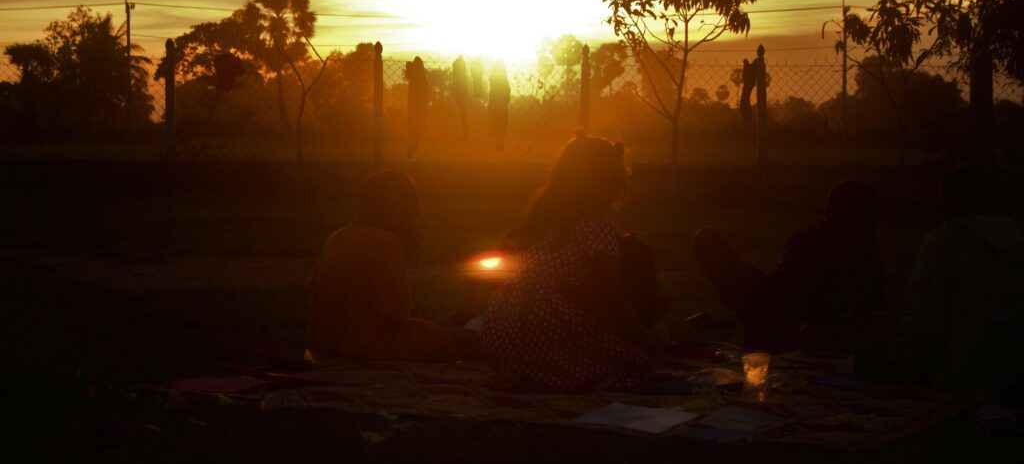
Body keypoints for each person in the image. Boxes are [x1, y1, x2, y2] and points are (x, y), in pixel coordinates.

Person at [481, 130, 669, 391]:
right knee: (637, 362)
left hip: (503, 329)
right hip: (546, 325)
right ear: (610, 183)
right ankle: (549, 372)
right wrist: (646, 340)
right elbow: (615, 302)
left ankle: (527, 370)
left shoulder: (544, 220)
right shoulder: (595, 227)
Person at [693, 180, 884, 352]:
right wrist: (802, 330)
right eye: (850, 232)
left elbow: (873, 311)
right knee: (707, 240)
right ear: (829, 224)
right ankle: (749, 328)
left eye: (864, 232)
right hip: (781, 319)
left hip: (806, 330)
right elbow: (771, 307)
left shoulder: (867, 252)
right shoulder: (804, 245)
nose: (856, 241)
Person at [889, 164, 1024, 393]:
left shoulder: (943, 242)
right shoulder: (1016, 240)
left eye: (943, 199)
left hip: (960, 378)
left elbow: (925, 322)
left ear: (951, 201)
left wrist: (885, 337)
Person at [307, 171, 462, 362]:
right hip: (369, 346)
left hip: (327, 341)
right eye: (410, 215)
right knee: (466, 340)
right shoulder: (385, 242)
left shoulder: (336, 237)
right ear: (397, 210)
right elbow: (400, 311)